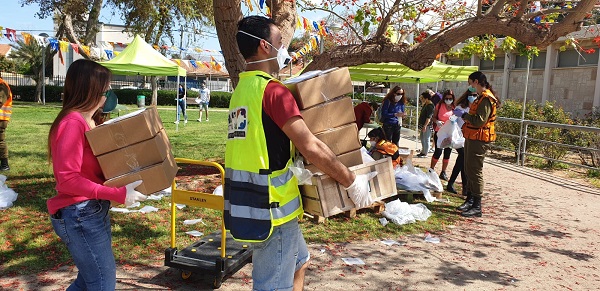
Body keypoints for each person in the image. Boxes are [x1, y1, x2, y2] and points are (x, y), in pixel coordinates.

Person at [228, 15, 371, 291]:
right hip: (274, 211)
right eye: (280, 42)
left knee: (299, 260)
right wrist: (351, 181)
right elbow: (311, 146)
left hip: (248, 206)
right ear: (264, 47)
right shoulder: (273, 92)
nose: (286, 49)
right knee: (271, 286)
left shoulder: (241, 90)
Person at [46, 59, 148, 290]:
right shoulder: (72, 123)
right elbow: (68, 179)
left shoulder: (88, 120)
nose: (108, 94)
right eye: (106, 88)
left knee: (88, 281)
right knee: (102, 282)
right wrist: (116, 193)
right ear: (90, 89)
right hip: (80, 214)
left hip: (91, 211)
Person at [453, 71, 499, 218]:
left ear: (476, 82)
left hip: (479, 140)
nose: (470, 86)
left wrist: (464, 115)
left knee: (475, 171)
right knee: (468, 168)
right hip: (472, 137)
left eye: (470, 83)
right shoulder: (480, 97)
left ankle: (477, 206)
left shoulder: (486, 99)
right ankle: (470, 200)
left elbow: (479, 121)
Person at [446, 89, 471, 196]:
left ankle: (457, 185)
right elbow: (453, 120)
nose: (474, 98)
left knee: (462, 160)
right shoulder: (460, 107)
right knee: (463, 157)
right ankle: (460, 186)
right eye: (472, 95)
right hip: (459, 137)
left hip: (469, 137)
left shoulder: (475, 108)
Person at [430, 90, 456, 180]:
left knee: (447, 152)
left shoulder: (454, 107)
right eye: (447, 98)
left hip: (450, 133)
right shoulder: (439, 105)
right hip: (440, 131)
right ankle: (431, 169)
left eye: (450, 98)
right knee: (438, 151)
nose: (448, 100)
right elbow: (433, 117)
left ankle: (443, 171)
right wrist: (437, 121)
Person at [416, 91, 435, 158]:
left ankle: (425, 152)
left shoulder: (430, 106)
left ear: (426, 98)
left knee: (426, 138)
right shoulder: (425, 105)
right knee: (422, 137)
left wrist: (425, 125)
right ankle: (423, 151)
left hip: (427, 125)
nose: (422, 100)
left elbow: (428, 117)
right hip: (423, 124)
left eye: (422, 98)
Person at [0, 77, 13, 171]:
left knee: (0, 141)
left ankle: (4, 164)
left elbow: (0, 101)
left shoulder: (2, 86)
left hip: (1, 119)